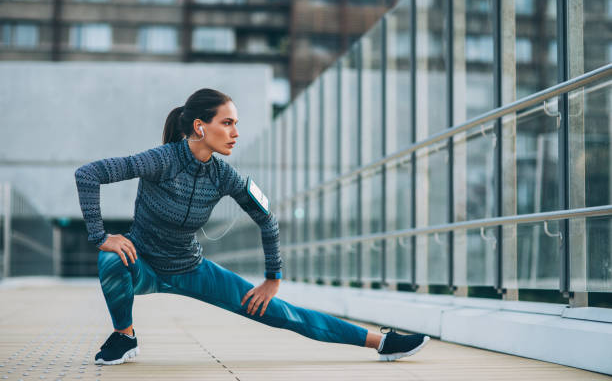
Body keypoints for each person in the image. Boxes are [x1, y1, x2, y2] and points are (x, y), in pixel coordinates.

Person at [74, 88, 430, 365]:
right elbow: (88, 174)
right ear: (200, 126)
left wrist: (272, 279)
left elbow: (267, 218)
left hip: (191, 269)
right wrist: (101, 236)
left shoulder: (223, 175)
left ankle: (382, 342)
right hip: (144, 265)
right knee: (110, 261)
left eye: (236, 124)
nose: (235, 133)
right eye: (227, 123)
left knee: (283, 314)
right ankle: (125, 335)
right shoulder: (160, 160)